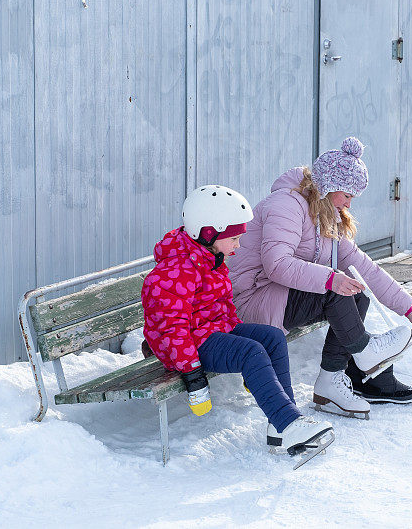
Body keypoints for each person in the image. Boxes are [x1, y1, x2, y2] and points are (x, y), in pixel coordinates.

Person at [227, 137, 412, 420]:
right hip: (250, 300)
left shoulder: (325, 216)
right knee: (335, 288)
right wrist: (330, 279)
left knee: (355, 290)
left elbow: (366, 268)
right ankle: (364, 351)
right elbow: (276, 264)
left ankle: (330, 383)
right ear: (327, 187)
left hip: (278, 295)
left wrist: (409, 309)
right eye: (347, 195)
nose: (349, 204)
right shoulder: (286, 205)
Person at [141, 184, 333, 458]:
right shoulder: (174, 271)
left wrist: (235, 328)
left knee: (272, 337)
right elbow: (172, 328)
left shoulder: (208, 257)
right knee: (250, 352)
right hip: (187, 348)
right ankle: (287, 422)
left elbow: (220, 305)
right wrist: (193, 374)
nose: (238, 245)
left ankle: (283, 425)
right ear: (209, 232)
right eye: (233, 238)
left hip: (210, 332)